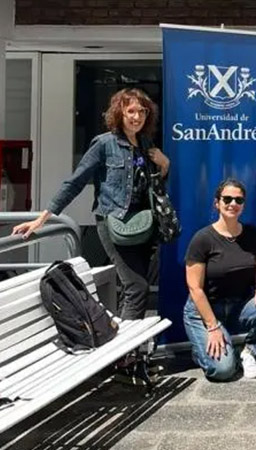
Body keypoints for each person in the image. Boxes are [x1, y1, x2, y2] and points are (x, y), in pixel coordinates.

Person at [12, 88, 170, 380]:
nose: (136, 117)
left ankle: (127, 356)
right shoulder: (105, 144)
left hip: (144, 224)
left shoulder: (146, 144)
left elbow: (153, 188)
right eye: (131, 111)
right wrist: (43, 218)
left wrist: (164, 165)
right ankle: (122, 357)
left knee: (136, 288)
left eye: (142, 112)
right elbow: (75, 181)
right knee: (136, 287)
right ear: (119, 114)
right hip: (114, 223)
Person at [183, 179, 256, 381]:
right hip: (204, 310)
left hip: (239, 306)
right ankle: (205, 353)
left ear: (243, 205)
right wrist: (213, 326)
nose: (233, 203)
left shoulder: (252, 235)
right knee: (223, 371)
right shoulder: (202, 239)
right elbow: (195, 288)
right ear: (216, 203)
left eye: (238, 199)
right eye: (227, 199)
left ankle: (248, 352)